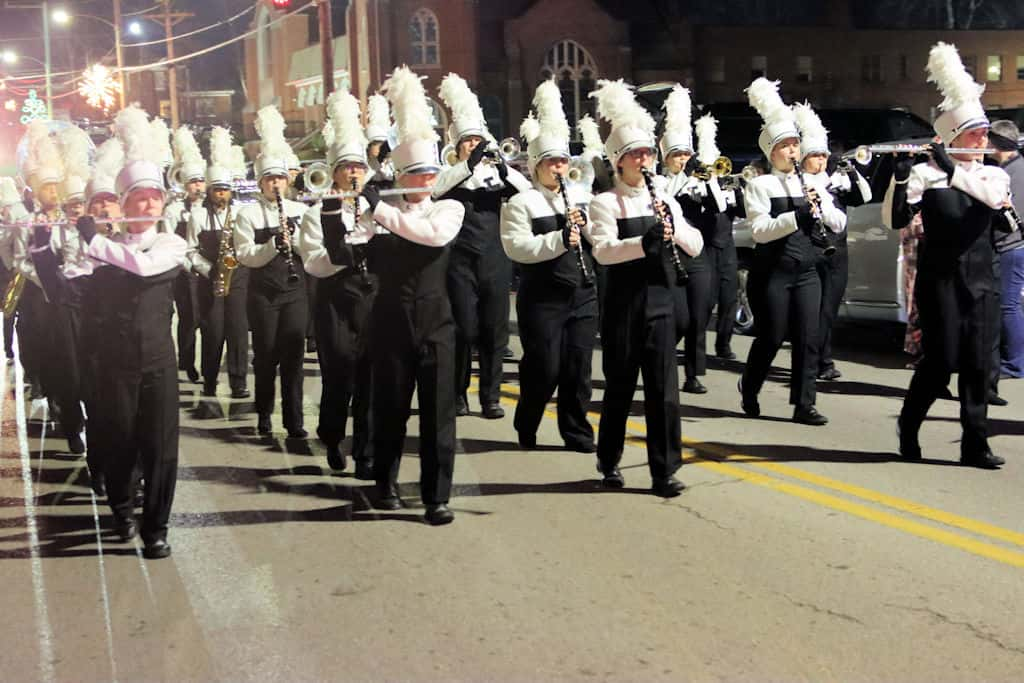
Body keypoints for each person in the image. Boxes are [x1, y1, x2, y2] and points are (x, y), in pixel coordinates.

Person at [884, 43, 1010, 469]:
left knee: (978, 366)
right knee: (941, 364)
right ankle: (910, 422)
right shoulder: (925, 174)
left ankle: (975, 444)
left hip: (982, 280)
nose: (983, 139)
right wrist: (899, 181)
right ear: (954, 137)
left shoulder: (991, 173)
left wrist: (954, 170)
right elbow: (895, 218)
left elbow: (992, 200)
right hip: (939, 282)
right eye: (975, 133)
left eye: (984, 132)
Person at [586, 79, 703, 496]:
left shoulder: (664, 198)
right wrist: (644, 243)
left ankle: (664, 470)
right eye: (636, 154)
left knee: (663, 392)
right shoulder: (604, 202)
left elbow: (696, 242)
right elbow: (602, 252)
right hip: (623, 305)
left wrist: (673, 235)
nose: (644, 160)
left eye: (648, 153)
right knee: (619, 387)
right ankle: (609, 461)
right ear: (619, 162)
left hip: (661, 302)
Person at [82, 104, 188, 558]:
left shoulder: (170, 243)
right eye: (139, 198)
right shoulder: (101, 248)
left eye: (154, 198)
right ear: (123, 204)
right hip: (114, 364)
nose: (148, 205)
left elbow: (144, 267)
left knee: (161, 449)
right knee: (119, 442)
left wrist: (95, 240)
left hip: (159, 364)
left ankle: (156, 528)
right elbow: (67, 278)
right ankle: (122, 509)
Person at [362, 66, 466, 525]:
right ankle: (384, 484)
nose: (426, 180)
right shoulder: (380, 212)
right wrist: (347, 208)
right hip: (390, 321)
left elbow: (431, 238)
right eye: (418, 173)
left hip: (437, 322)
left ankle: (435, 496)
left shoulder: (449, 207)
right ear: (402, 173)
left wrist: (379, 209)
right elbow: (347, 246)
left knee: (439, 416)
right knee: (390, 409)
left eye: (431, 173)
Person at [739, 78, 846, 426]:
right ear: (771, 151)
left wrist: (821, 209)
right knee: (771, 336)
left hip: (807, 270)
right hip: (773, 270)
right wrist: (795, 215)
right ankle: (750, 385)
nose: (792, 151)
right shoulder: (759, 185)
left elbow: (839, 222)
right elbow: (759, 231)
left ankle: (804, 404)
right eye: (784, 146)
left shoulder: (813, 181)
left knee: (808, 337)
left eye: (795, 145)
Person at [500, 79, 597, 453]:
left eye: (563, 161)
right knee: (545, 368)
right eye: (551, 162)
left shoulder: (582, 197)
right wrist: (560, 238)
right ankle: (528, 421)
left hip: (583, 294)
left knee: (578, 369)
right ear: (536, 167)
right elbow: (517, 248)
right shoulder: (522, 204)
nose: (559, 168)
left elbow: (599, 244)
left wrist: (586, 228)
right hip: (542, 297)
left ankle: (577, 433)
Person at [434, 74, 531, 419]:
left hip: (495, 258)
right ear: (457, 147)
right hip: (459, 260)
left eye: (478, 141)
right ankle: (458, 393)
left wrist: (502, 167)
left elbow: (526, 193)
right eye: (467, 142)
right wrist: (468, 165)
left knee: (494, 330)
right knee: (462, 328)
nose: (474, 146)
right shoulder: (450, 175)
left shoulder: (498, 178)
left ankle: (491, 396)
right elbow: (437, 189)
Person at [296, 89, 378, 480]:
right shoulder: (315, 214)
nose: (353, 173)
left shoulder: (380, 209)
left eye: (358, 167)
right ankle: (332, 435)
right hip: (335, 301)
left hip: (373, 298)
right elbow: (314, 263)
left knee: (371, 376)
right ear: (334, 172)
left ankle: (366, 451)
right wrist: (340, 248)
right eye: (346, 167)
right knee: (340, 372)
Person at [235, 105, 310, 438]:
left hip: (294, 292)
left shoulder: (300, 210)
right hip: (263, 294)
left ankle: (295, 421)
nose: (276, 184)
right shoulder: (248, 214)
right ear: (261, 182)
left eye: (280, 178)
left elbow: (311, 250)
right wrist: (273, 246)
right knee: (266, 356)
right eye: (270, 179)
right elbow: (245, 256)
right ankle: (264, 413)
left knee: (293, 356)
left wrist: (294, 244)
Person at [791, 103, 872, 382]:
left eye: (824, 155)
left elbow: (864, 197)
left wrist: (850, 173)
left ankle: (822, 359)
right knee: (811, 311)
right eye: (815, 155)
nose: (821, 160)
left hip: (838, 252)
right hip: (810, 251)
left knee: (829, 310)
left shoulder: (836, 178)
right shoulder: (796, 181)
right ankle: (811, 361)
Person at [29, 123, 96, 455]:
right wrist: (40, 246)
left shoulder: (100, 231)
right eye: (71, 206)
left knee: (99, 374)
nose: (75, 210)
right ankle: (72, 425)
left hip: (98, 306)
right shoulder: (52, 229)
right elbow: (44, 269)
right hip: (64, 305)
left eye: (80, 204)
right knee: (69, 371)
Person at [187, 126, 250, 399]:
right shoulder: (197, 217)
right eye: (217, 190)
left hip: (238, 279)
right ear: (209, 191)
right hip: (210, 278)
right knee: (213, 333)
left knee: (237, 333)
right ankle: (210, 379)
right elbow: (189, 251)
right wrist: (208, 269)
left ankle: (238, 382)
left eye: (225, 190)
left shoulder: (241, 213)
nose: (221, 195)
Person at [660, 85, 711, 394]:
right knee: (678, 318)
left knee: (700, 313)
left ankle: (693, 373)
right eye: (677, 155)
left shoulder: (699, 178)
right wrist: (683, 177)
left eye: (686, 155)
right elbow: (665, 199)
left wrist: (706, 180)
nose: (683, 160)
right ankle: (662, 358)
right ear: (666, 158)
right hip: (667, 252)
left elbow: (718, 205)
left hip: (697, 253)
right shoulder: (661, 181)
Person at [164, 126, 207, 383]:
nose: (198, 186)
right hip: (184, 272)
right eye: (193, 182)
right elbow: (170, 240)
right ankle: (188, 362)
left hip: (208, 269)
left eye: (201, 181)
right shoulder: (174, 211)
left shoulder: (211, 208)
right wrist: (188, 265)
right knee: (188, 318)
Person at [986, 119, 1024, 386]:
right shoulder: (1016, 168)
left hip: (1012, 246)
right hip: (1016, 246)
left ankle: (1015, 363)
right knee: (1014, 305)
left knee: (1009, 306)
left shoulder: (1012, 173)